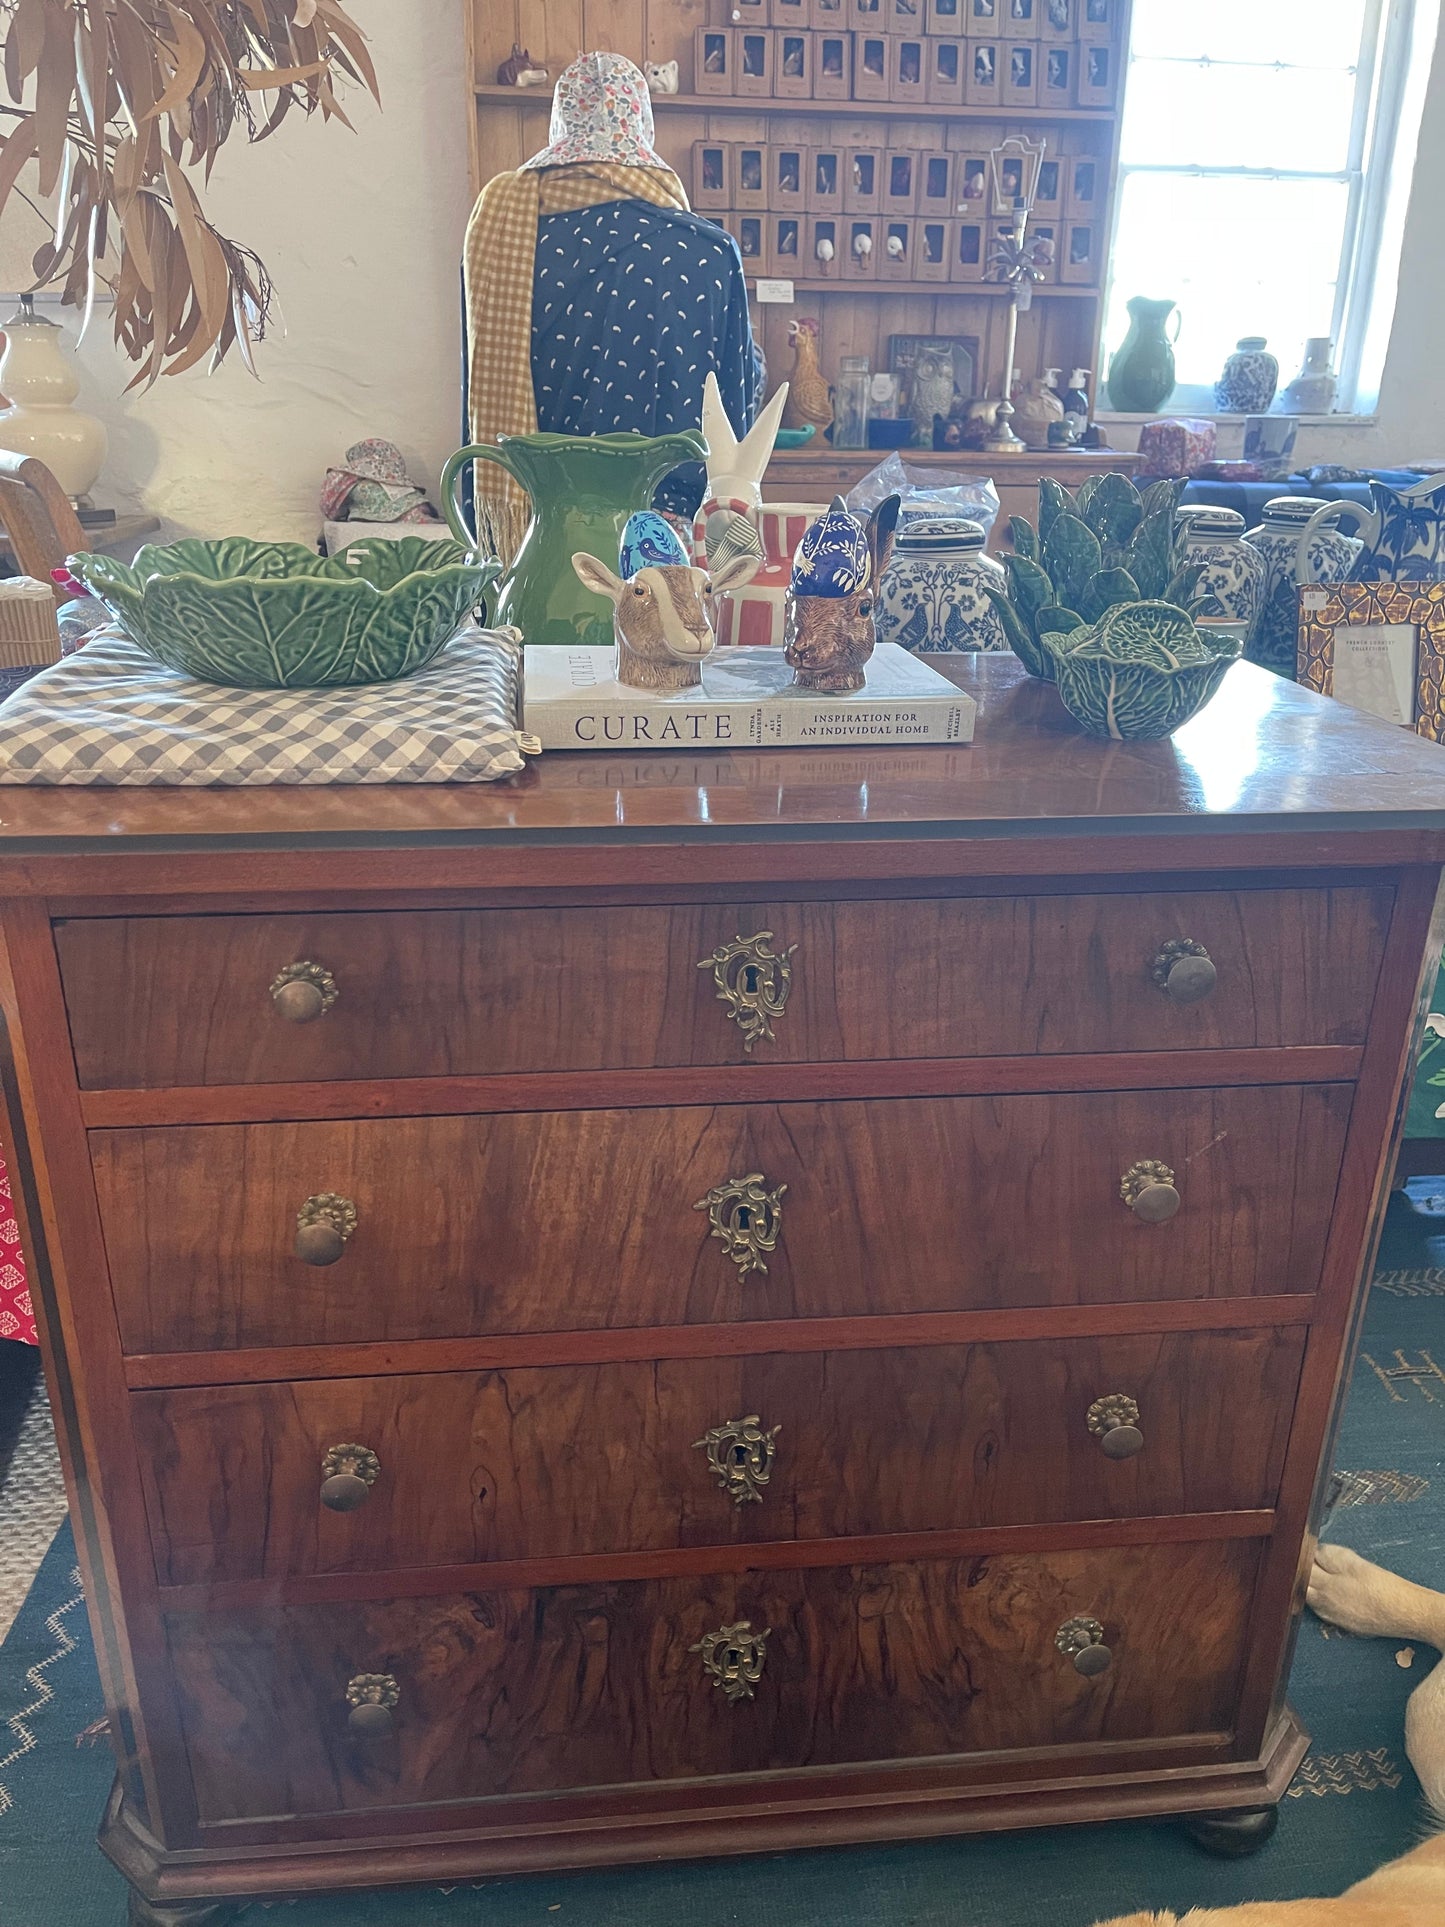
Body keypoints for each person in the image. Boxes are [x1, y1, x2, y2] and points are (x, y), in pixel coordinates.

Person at [463, 53, 760, 560]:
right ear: (643, 124)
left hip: (540, 544)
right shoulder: (708, 252)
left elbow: (475, 401)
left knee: (534, 641)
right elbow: (736, 423)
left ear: (560, 125)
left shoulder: (501, 238)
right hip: (669, 553)